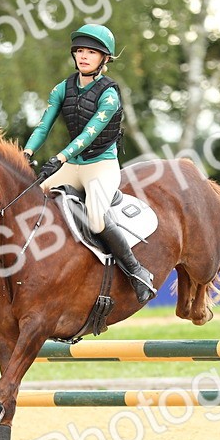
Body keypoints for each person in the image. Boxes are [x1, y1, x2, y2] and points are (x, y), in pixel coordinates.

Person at [23, 23, 157, 304]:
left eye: (91, 53)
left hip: (101, 166)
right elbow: (43, 126)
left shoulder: (109, 95)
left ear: (104, 59)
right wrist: (26, 153)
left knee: (96, 217)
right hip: (72, 165)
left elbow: (88, 136)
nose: (83, 56)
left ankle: (137, 271)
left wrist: (59, 158)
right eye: (80, 51)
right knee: (32, 199)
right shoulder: (62, 89)